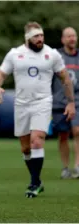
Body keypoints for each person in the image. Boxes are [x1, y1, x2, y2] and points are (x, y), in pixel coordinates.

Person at [0, 22, 76, 198]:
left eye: (42, 36)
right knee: (25, 148)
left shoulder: (51, 54)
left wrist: (70, 102)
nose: (40, 39)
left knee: (36, 141)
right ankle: (37, 181)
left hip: (43, 102)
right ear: (28, 38)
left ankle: (33, 183)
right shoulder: (15, 54)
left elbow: (65, 78)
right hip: (21, 104)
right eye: (36, 36)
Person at [52, 27, 79, 179]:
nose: (72, 39)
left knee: (77, 131)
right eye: (68, 36)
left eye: (74, 36)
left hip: (77, 100)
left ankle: (77, 166)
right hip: (59, 102)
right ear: (63, 39)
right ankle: (65, 168)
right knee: (63, 135)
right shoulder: (56, 57)